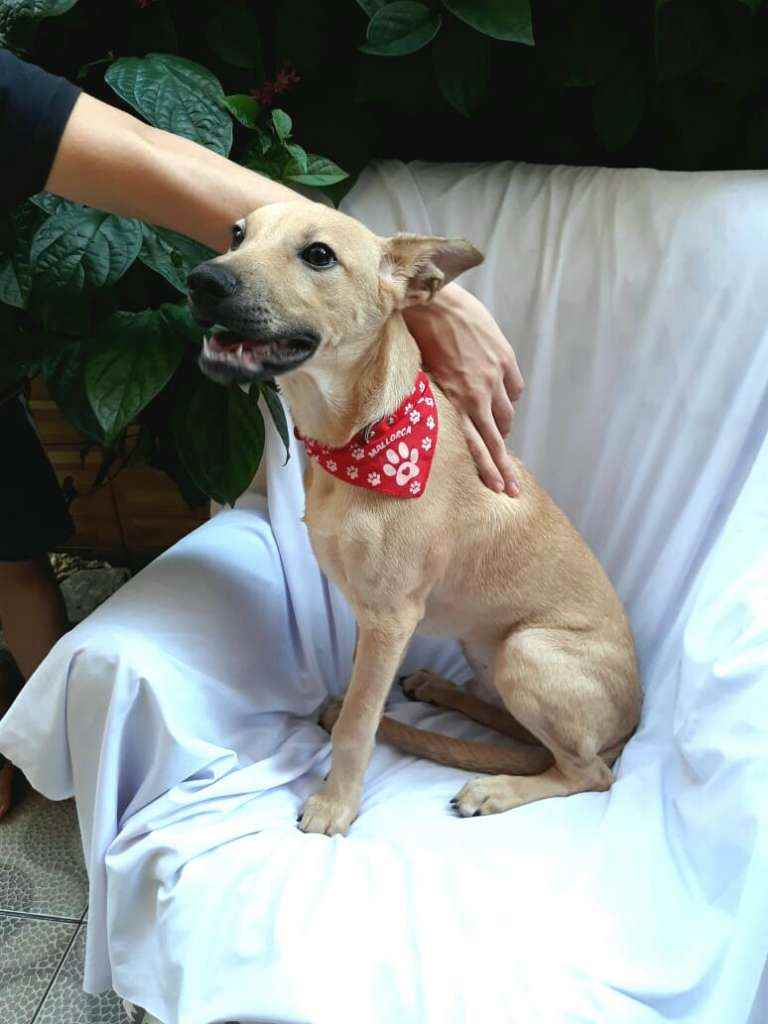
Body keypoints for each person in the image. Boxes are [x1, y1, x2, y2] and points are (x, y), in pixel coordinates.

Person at [0, 47, 524, 819]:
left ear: (407, 288)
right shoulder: (342, 451)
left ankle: (559, 773)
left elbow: (140, 152)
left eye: (313, 257)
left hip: (543, 653)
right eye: (239, 239)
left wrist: (345, 776)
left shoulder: (407, 451)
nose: (222, 272)